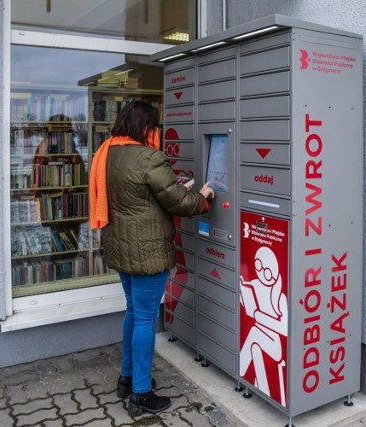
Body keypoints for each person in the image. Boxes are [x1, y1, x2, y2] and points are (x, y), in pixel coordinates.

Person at [89, 100, 214, 416]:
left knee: (133, 310)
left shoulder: (109, 153)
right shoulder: (149, 157)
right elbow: (177, 201)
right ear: (145, 127)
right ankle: (141, 395)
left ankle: (126, 379)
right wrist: (202, 198)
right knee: (145, 317)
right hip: (146, 250)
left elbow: (140, 195)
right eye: (154, 126)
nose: (157, 131)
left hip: (120, 244)